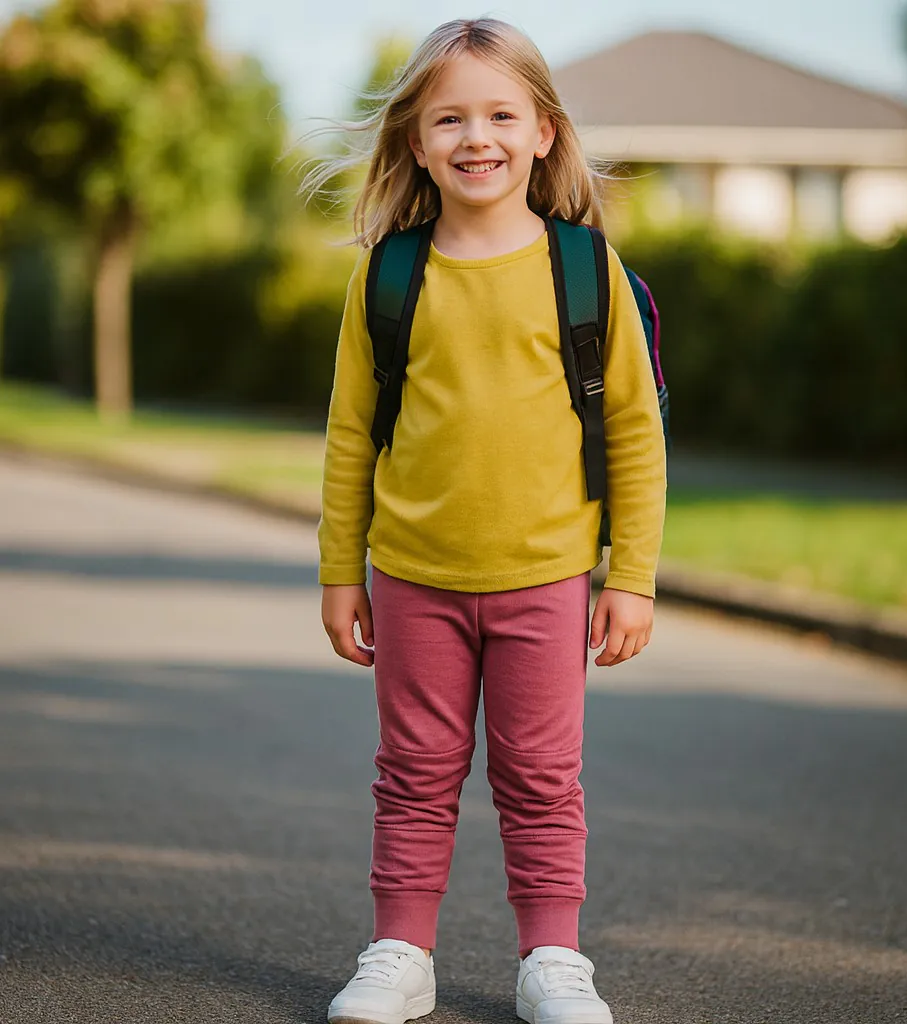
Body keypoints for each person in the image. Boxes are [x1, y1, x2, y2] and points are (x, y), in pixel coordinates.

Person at [312, 16, 666, 1024]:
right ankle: (399, 952)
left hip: (548, 577)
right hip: (413, 575)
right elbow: (350, 435)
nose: (479, 137)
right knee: (414, 773)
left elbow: (636, 432)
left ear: (544, 132)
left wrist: (629, 575)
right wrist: (343, 572)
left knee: (542, 777)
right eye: (451, 118)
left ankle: (552, 958)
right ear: (416, 140)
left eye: (502, 114)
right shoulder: (389, 274)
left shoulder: (582, 268)